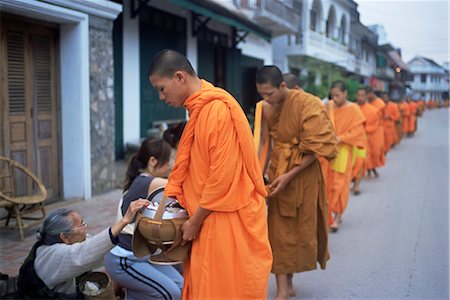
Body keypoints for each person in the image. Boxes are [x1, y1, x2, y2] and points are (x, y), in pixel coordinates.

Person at [147, 49, 272, 299]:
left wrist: (194, 221)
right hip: (207, 215)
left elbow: (221, 177)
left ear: (179, 77)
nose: (161, 97)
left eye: (162, 88)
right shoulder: (199, 109)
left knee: (223, 290)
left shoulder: (216, 110)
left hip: (222, 217)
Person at [255, 66, 337, 299]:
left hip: (304, 174)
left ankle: (287, 285)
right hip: (277, 172)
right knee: (278, 232)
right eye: (262, 94)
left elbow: (318, 148)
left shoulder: (308, 103)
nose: (266, 99)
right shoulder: (265, 108)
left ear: (283, 86)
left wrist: (289, 176)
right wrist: (259, 176)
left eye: (270, 93)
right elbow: (264, 144)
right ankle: (283, 288)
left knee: (296, 231)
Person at [15, 200, 149, 299]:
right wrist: (124, 221)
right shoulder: (53, 254)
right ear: (65, 237)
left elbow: (97, 247)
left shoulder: (68, 244)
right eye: (81, 225)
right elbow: (86, 252)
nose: (86, 228)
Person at [103, 137, 183, 300]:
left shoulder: (141, 180)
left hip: (141, 255)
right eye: (167, 161)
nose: (170, 165)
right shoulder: (151, 182)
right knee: (171, 294)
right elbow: (182, 187)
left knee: (181, 285)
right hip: (124, 258)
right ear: (152, 161)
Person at [328, 81, 366, 232]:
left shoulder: (353, 109)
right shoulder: (328, 106)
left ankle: (337, 216)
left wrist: (341, 138)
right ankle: (333, 213)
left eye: (338, 95)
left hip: (344, 151)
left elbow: (358, 133)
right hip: (328, 151)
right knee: (329, 185)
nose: (335, 98)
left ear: (345, 94)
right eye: (333, 95)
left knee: (340, 185)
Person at [366, 86, 386, 177]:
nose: (366, 97)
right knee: (367, 151)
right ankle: (370, 169)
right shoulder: (366, 103)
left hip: (377, 131)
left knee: (375, 151)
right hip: (366, 130)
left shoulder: (380, 103)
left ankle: (373, 168)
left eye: (367, 94)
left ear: (371, 93)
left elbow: (383, 117)